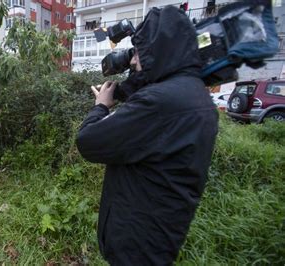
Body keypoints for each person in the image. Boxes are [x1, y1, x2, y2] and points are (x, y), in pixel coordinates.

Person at [76, 6, 218, 265]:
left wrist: (101, 106)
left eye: (139, 51)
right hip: (160, 233)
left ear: (160, 50)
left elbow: (88, 141)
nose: (132, 60)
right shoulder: (195, 94)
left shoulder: (160, 102)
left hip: (137, 242)